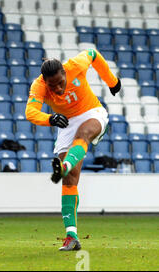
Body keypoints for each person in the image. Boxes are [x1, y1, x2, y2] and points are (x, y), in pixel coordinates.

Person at [25, 49, 121, 251]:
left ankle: (65, 165)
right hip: (65, 123)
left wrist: (112, 81)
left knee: (83, 135)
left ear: (65, 72)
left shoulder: (76, 65)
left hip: (91, 112)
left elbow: (93, 54)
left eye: (61, 82)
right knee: (70, 180)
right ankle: (71, 236)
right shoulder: (39, 85)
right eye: (54, 86)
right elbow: (30, 111)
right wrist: (49, 119)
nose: (59, 89)